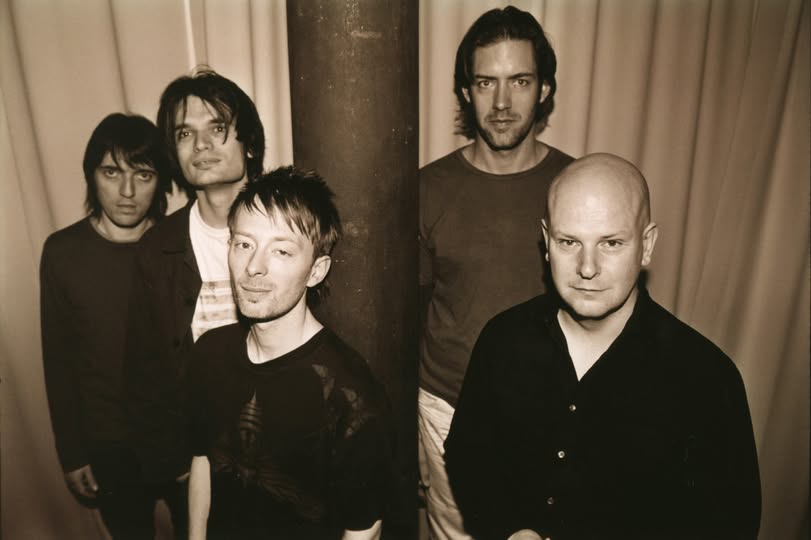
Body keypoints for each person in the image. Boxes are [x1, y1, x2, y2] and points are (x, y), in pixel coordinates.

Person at [444, 153, 761, 540]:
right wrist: (509, 530)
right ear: (546, 242)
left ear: (646, 245)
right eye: (569, 242)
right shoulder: (502, 338)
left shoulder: (707, 378)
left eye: (611, 243)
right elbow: (468, 452)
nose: (587, 267)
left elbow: (730, 523)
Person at [418, 6, 574, 538]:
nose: (502, 103)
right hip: (447, 405)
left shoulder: (574, 186)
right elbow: (413, 310)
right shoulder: (428, 189)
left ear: (545, 89)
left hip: (550, 410)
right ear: (466, 92)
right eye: (486, 82)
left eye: (520, 81)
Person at [187, 167, 391, 539]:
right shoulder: (210, 353)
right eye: (244, 244)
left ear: (316, 271)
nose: (253, 267)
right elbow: (204, 460)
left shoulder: (351, 394)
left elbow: (363, 530)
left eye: (281, 250)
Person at [124, 67, 265, 537]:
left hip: (285, 455)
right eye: (185, 133)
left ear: (249, 143)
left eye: (217, 128)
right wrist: (178, 466)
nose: (201, 145)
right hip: (199, 460)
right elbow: (144, 370)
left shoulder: (291, 227)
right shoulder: (157, 249)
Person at [40, 113, 171, 538]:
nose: (127, 191)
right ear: (91, 176)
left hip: (180, 438)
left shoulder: (177, 245)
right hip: (108, 443)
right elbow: (58, 360)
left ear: (161, 180)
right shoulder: (62, 253)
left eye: (143, 174)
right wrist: (72, 453)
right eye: (112, 172)